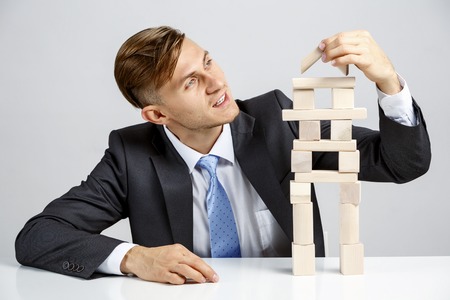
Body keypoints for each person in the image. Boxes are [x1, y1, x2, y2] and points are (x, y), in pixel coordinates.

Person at [15, 26, 431, 285]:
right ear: (157, 114)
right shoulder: (131, 156)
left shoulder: (278, 121)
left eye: (208, 62)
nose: (217, 82)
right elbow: (37, 236)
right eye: (192, 82)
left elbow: (400, 163)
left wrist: (389, 82)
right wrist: (133, 258)